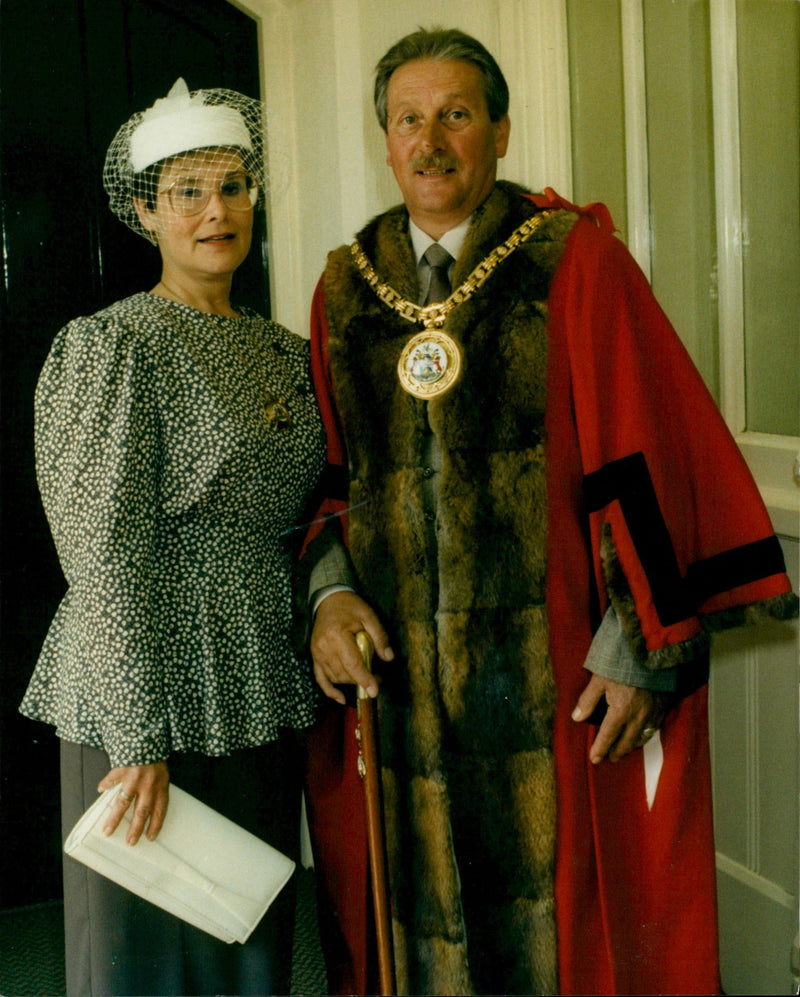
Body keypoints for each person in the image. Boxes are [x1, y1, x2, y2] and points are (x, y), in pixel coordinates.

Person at [300, 27, 799, 997]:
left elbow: (643, 460)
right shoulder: (342, 289)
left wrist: (637, 647)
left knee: (571, 941)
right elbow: (323, 478)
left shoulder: (569, 262)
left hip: (549, 689)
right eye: (408, 120)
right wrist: (326, 599)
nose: (431, 141)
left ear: (499, 130)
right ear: (383, 140)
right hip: (400, 703)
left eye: (455, 115)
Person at [19, 79, 326, 997]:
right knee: (146, 954)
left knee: (244, 930)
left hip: (256, 671)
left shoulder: (278, 349)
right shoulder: (112, 346)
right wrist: (134, 733)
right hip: (146, 668)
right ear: (145, 211)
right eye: (187, 191)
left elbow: (312, 511)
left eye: (232, 185)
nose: (215, 211)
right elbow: (102, 548)